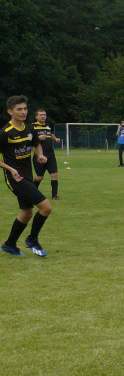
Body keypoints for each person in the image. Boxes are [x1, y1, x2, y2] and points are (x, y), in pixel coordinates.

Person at [1, 96, 53, 257]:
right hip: (16, 179)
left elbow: (36, 145)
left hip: (27, 176)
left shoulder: (30, 128)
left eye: (25, 108)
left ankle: (9, 244)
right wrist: (11, 169)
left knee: (26, 212)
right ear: (10, 111)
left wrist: (40, 155)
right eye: (19, 109)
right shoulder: (5, 133)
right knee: (46, 207)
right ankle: (32, 239)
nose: (23, 112)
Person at [31, 109, 61, 200]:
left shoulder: (47, 126)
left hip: (51, 154)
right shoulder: (32, 127)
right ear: (36, 116)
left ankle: (54, 196)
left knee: (54, 175)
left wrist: (55, 139)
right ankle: (32, 191)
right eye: (41, 115)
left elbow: (51, 134)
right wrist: (38, 138)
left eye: (44, 115)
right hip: (39, 155)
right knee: (39, 177)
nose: (43, 116)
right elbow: (29, 140)